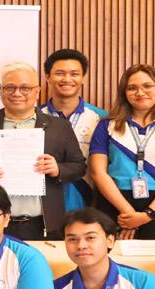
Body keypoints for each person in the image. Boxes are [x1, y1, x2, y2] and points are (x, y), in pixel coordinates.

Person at [0, 62, 85, 240]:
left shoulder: (59, 127)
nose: (17, 93)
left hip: (44, 225)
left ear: (37, 91)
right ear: (1, 91)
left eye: (25, 88)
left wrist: (58, 169)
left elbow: (79, 166)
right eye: (10, 88)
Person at [89, 64, 155, 240]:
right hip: (116, 202)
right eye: (132, 88)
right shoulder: (107, 125)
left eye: (147, 86)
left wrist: (147, 215)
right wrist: (128, 213)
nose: (140, 92)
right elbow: (98, 173)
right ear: (124, 93)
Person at [39, 49, 109, 213]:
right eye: (60, 73)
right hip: (44, 200)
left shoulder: (101, 118)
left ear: (83, 78)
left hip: (89, 201)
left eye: (74, 74)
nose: (67, 79)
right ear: (48, 77)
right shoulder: (35, 116)